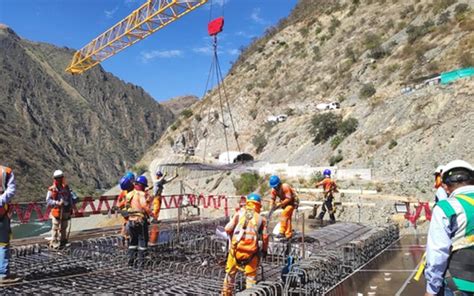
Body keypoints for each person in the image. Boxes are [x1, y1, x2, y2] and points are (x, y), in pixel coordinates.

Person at [424, 159, 474, 296]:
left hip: (458, 285)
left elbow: (437, 253)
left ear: (445, 187)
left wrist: (431, 289)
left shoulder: (446, 208)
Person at [222, 193, 268, 295]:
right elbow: (265, 237)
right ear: (258, 205)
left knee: (230, 275)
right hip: (251, 255)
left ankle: (226, 294)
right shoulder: (261, 219)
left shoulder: (239, 214)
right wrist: (264, 250)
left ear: (247, 203)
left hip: (235, 252)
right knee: (250, 279)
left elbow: (227, 229)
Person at [46, 170, 78, 249]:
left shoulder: (66, 188)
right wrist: (57, 203)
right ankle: (54, 242)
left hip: (66, 209)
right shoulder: (52, 189)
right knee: (56, 227)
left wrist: (71, 205)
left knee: (64, 226)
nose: (59, 180)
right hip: (57, 210)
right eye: (57, 178)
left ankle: (63, 241)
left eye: (60, 178)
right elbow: (48, 200)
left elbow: (71, 197)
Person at [0, 165, 21, 285]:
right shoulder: (5, 171)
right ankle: (3, 275)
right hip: (1, 213)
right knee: (2, 243)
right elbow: (11, 190)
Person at [125, 175, 152, 265]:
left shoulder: (129, 194)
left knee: (133, 242)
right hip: (139, 221)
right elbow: (144, 205)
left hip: (130, 222)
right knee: (142, 242)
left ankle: (131, 261)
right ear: (142, 185)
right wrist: (151, 214)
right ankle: (141, 262)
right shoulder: (141, 194)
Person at [149, 170, 178, 245]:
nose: (159, 176)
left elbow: (167, 181)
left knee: (158, 209)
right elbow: (160, 180)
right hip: (156, 197)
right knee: (156, 208)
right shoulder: (156, 181)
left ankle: (155, 218)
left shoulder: (160, 181)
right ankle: (154, 219)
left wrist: (174, 177)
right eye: (159, 175)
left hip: (159, 196)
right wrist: (164, 175)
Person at [269, 175, 298, 240]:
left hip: (291, 203)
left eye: (275, 186)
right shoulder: (274, 189)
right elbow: (272, 198)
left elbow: (289, 198)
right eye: (274, 187)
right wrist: (271, 205)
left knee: (284, 214)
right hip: (284, 204)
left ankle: (282, 232)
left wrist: (280, 204)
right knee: (288, 218)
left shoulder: (285, 187)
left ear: (279, 184)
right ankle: (288, 234)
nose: (275, 188)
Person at [116, 172, 135, 239]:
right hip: (126, 209)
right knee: (129, 222)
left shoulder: (124, 191)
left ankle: (124, 234)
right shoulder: (129, 190)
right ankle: (126, 235)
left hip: (125, 209)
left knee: (126, 222)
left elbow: (119, 200)